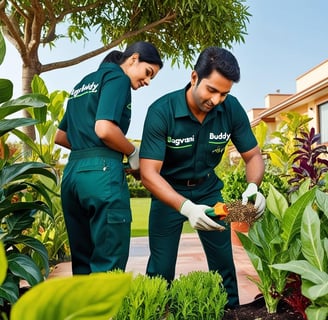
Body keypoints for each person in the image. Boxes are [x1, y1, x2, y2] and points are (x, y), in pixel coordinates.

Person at [139, 46, 265, 308]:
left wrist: (253, 187)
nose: (217, 100)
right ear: (194, 77)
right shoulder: (161, 111)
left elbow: (253, 156)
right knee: (160, 269)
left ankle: (229, 311)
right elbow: (149, 174)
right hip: (168, 194)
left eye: (224, 93)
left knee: (223, 265)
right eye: (212, 90)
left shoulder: (231, 109)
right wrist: (186, 207)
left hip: (209, 192)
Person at [55, 41, 163, 275]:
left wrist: (89, 151)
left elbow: (61, 136)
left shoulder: (81, 84)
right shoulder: (118, 78)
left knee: (82, 260)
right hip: (102, 176)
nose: (147, 81)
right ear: (133, 59)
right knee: (108, 262)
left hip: (73, 175)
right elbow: (104, 129)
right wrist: (132, 152)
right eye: (148, 73)